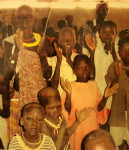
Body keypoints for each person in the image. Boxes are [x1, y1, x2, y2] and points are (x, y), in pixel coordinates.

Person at [3, 5, 47, 140]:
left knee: (37, 138)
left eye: (28, 16)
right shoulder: (8, 42)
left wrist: (41, 55)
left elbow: (47, 74)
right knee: (18, 138)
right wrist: (18, 48)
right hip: (17, 98)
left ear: (33, 19)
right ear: (15, 20)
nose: (24, 19)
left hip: (38, 98)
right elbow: (7, 74)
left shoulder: (42, 41)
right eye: (20, 17)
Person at [61, 54, 119, 150]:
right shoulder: (70, 86)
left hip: (91, 126)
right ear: (74, 71)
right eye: (79, 68)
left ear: (90, 69)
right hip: (77, 128)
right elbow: (67, 110)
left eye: (86, 67)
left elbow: (99, 108)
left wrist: (105, 97)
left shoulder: (93, 85)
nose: (84, 71)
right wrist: (68, 94)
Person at [83, 21, 119, 114]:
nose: (108, 35)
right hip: (97, 93)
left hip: (112, 97)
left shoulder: (119, 52)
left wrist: (113, 51)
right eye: (105, 33)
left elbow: (118, 68)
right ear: (99, 35)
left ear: (116, 35)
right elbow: (90, 70)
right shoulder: (96, 50)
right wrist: (92, 52)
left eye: (111, 33)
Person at [47, 27, 78, 95]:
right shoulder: (52, 60)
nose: (68, 42)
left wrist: (69, 60)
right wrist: (59, 62)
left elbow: (81, 79)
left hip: (76, 97)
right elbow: (54, 86)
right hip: (60, 99)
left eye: (71, 39)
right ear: (59, 41)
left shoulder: (78, 58)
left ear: (75, 41)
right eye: (64, 39)